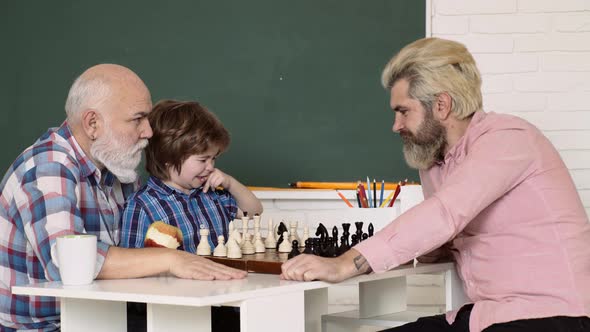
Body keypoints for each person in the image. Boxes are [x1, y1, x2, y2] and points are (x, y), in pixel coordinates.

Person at [280, 38, 590, 332]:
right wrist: (434, 247)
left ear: (441, 105)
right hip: (487, 316)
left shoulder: (508, 139)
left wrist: (345, 263)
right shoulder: (433, 162)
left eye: (403, 111)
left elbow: (444, 214)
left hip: (554, 317)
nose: (395, 125)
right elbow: (447, 229)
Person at [0, 64, 246, 331]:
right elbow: (70, 265)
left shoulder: (117, 169)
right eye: (137, 119)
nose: (149, 132)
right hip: (47, 327)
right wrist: (172, 259)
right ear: (93, 123)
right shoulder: (47, 168)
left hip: (103, 316)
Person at [120, 99, 263, 252]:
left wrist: (229, 182)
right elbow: (132, 261)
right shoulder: (141, 206)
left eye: (213, 158)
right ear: (168, 158)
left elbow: (254, 211)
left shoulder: (213, 195)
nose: (210, 167)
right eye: (203, 160)